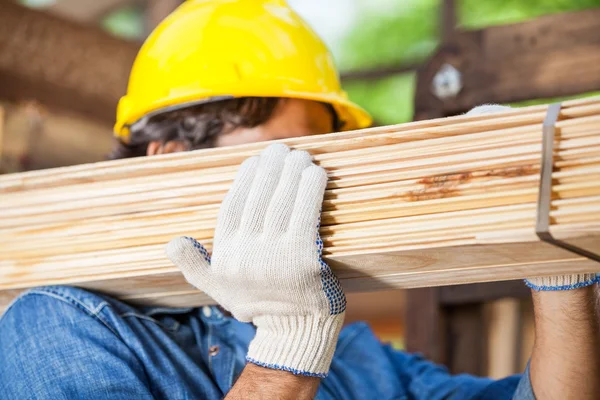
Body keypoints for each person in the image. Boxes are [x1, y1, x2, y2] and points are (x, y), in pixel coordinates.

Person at [1, 1, 598, 399]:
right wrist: (287, 350)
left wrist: (559, 266)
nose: (310, 182)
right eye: (281, 157)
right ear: (170, 159)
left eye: (320, 158)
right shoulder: (60, 330)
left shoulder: (359, 357)